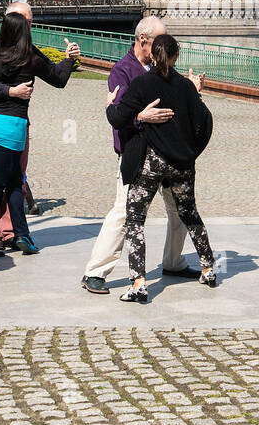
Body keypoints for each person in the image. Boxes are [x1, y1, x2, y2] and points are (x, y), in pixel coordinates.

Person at [81, 16, 196, 295]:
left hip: (168, 153)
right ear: (143, 40)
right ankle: (94, 272)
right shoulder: (122, 70)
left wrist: (192, 91)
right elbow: (118, 114)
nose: (165, 45)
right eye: (160, 39)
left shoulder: (164, 66)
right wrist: (141, 117)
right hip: (136, 152)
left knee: (179, 210)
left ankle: (173, 261)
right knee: (123, 212)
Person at [105, 33, 216, 303]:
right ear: (177, 56)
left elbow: (119, 119)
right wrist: (192, 152)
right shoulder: (187, 87)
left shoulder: (142, 84)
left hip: (152, 162)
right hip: (182, 163)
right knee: (189, 214)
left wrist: (109, 105)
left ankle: (139, 283)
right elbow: (205, 121)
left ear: (152, 55)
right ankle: (209, 268)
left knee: (135, 220)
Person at [0, 12, 76, 256]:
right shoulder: (31, 58)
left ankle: (23, 235)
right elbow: (59, 79)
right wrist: (68, 59)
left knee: (14, 182)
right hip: (13, 127)